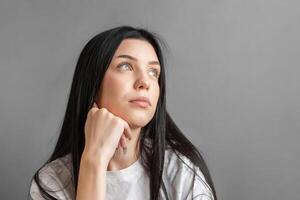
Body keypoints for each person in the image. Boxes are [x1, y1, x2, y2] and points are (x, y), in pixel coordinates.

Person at [28, 25, 217, 200]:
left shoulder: (181, 173)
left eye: (153, 72)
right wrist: (94, 159)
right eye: (125, 66)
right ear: (93, 85)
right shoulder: (52, 181)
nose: (145, 82)